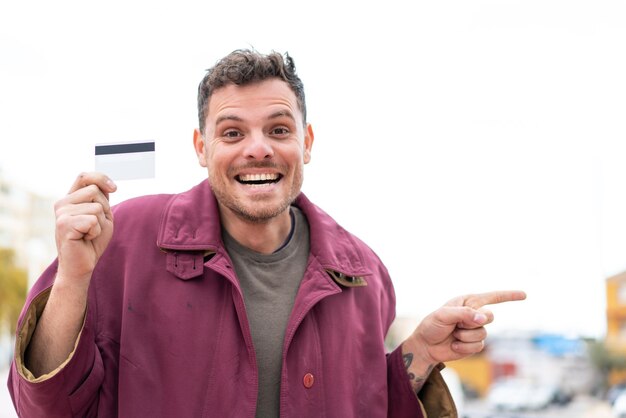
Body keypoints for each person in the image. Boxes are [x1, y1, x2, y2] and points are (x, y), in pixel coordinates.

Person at [7, 49, 525, 417]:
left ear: (307, 142)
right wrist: (74, 277)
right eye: (232, 132)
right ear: (202, 147)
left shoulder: (364, 274)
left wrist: (421, 354)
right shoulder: (121, 239)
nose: (258, 148)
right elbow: (42, 407)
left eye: (278, 129)